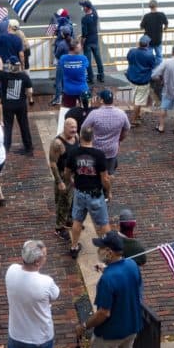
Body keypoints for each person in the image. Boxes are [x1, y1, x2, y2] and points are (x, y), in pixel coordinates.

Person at [78, 232, 143, 348]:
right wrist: (106, 269)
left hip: (109, 334)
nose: (99, 250)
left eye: (101, 247)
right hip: (132, 326)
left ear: (110, 252)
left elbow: (103, 313)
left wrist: (84, 326)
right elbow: (127, 282)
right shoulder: (132, 265)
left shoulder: (107, 280)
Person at [6, 240, 60, 348]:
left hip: (16, 334)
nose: (45, 258)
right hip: (41, 338)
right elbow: (54, 296)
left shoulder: (11, 271)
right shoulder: (46, 282)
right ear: (37, 262)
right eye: (45, 256)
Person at [65, 126, 111, 259]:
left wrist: (72, 181)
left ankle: (74, 247)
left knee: (77, 220)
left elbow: (67, 173)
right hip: (95, 194)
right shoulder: (99, 155)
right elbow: (105, 179)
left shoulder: (74, 153)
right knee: (103, 223)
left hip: (79, 192)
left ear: (80, 136)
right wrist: (109, 191)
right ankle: (110, 250)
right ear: (93, 137)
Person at [0, 56, 34, 156]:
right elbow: (30, 91)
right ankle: (28, 147)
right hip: (21, 105)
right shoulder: (24, 76)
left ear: (10, 65)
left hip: (8, 105)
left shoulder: (4, 75)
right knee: (24, 126)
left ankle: (6, 147)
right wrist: (29, 99)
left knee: (8, 126)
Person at [82, 89, 130, 174]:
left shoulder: (94, 114)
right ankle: (107, 186)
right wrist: (119, 139)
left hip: (96, 149)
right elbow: (126, 129)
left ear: (101, 100)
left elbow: (84, 128)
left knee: (95, 172)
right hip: (112, 150)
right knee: (109, 173)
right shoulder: (121, 114)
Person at [47, 117, 78, 240]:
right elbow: (53, 163)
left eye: (75, 127)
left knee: (73, 200)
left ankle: (69, 221)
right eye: (71, 127)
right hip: (63, 176)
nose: (74, 130)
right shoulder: (57, 143)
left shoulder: (77, 137)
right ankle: (59, 228)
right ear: (65, 127)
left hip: (74, 175)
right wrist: (59, 181)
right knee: (63, 203)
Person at [125, 35, 157, 126]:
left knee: (136, 98)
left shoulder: (132, 51)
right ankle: (133, 120)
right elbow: (153, 66)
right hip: (143, 81)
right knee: (138, 102)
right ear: (147, 45)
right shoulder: (149, 55)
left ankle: (138, 115)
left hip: (132, 78)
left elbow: (128, 59)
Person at [58, 40, 89, 108]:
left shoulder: (63, 58)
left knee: (69, 111)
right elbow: (86, 66)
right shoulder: (83, 58)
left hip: (68, 90)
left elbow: (61, 64)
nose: (81, 48)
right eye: (80, 47)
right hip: (83, 89)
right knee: (86, 110)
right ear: (75, 48)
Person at [80, 0, 104, 84]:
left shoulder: (84, 19)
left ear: (86, 8)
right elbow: (92, 7)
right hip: (95, 40)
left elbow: (84, 34)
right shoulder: (95, 14)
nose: (82, 8)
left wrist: (81, 44)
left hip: (88, 43)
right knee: (98, 59)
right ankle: (101, 76)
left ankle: (90, 78)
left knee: (88, 61)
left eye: (83, 6)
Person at [139, 0, 169, 65]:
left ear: (149, 7)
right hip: (158, 39)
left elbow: (141, 27)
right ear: (156, 6)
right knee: (159, 55)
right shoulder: (161, 15)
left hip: (148, 40)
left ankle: (150, 68)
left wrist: (142, 20)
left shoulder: (146, 16)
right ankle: (158, 69)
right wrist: (164, 29)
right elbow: (166, 24)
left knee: (148, 56)